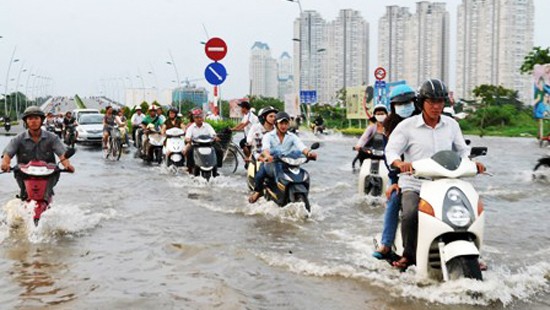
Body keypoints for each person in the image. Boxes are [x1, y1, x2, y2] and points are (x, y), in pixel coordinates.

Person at [384, 79, 485, 269]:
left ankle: (474, 253)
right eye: (431, 101)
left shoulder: (451, 125)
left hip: (446, 182)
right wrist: (399, 163)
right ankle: (409, 254)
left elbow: (462, 150)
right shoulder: (407, 126)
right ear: (421, 103)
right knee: (410, 213)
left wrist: (472, 163)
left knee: (471, 208)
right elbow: (391, 151)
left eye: (440, 102)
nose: (436, 106)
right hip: (414, 183)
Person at [371, 84, 419, 261]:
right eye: (401, 103)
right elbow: (389, 155)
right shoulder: (390, 126)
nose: (405, 106)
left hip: (434, 175)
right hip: (404, 176)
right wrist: (394, 181)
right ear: (393, 106)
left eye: (408, 102)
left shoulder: (425, 121)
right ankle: (386, 243)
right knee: (394, 200)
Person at [1, 106, 75, 201]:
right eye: (30, 118)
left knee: (47, 194)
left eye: (36, 118)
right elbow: (8, 153)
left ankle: (47, 198)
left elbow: (62, 154)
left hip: (48, 175)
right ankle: (23, 195)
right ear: (26, 122)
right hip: (25, 175)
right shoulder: (18, 139)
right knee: (23, 194)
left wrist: (67, 165)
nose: (33, 121)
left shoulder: (53, 138)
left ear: (41, 120)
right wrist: (5, 164)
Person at [248, 111, 317, 203]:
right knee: (260, 175)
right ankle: (257, 192)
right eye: (281, 123)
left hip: (287, 163)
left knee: (301, 171)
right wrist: (268, 156)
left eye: (286, 123)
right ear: (276, 124)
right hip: (272, 163)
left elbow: (301, 147)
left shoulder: (292, 136)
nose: (283, 126)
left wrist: (309, 153)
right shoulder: (268, 136)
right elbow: (265, 149)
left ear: (288, 124)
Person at [184, 109, 220, 173]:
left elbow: (213, 134)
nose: (199, 119)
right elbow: (187, 137)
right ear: (194, 118)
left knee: (218, 150)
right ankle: (190, 168)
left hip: (208, 145)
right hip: (196, 145)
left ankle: (216, 167)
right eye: (197, 117)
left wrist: (215, 137)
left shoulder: (207, 126)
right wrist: (188, 139)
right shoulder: (191, 127)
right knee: (189, 151)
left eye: (200, 117)